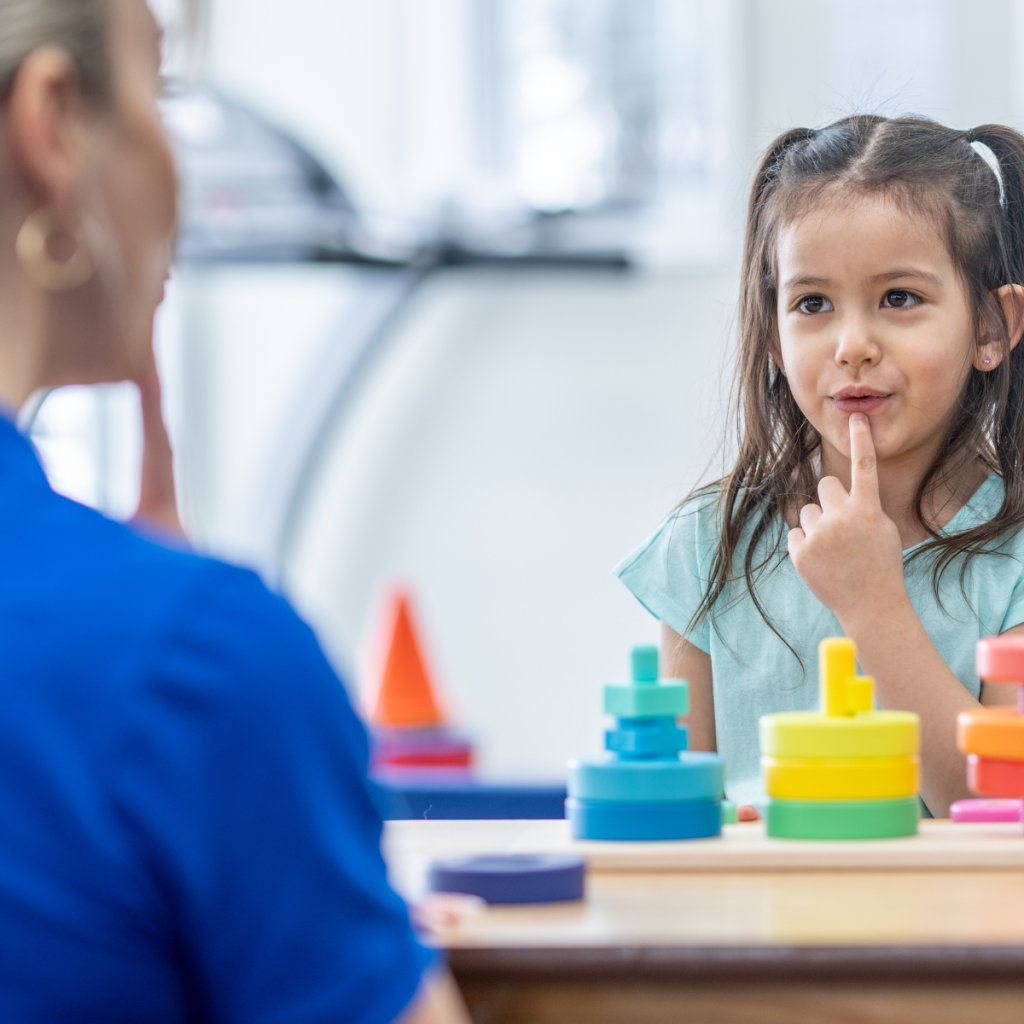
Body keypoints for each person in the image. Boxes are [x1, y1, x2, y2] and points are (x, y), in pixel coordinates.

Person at [0, 1, 468, 1021]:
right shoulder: (193, 664)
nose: (177, 168)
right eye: (157, 90)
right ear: (51, 124)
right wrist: (184, 643)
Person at [616, 115, 1024, 818]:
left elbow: (992, 800)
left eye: (900, 299)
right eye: (812, 304)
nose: (852, 344)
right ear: (773, 335)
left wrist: (871, 604)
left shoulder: (1013, 556)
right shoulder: (705, 545)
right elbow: (675, 806)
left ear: (992, 327)